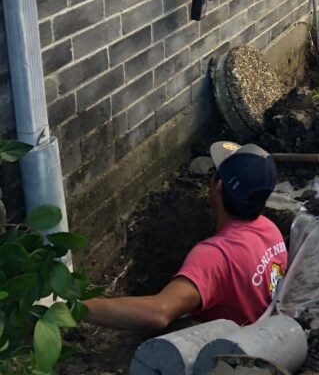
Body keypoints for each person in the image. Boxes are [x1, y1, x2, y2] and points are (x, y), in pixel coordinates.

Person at [85, 142, 288, 331]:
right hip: (259, 333)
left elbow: (159, 312)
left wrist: (76, 309)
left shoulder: (214, 256)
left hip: (221, 352)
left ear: (218, 187)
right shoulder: (270, 230)